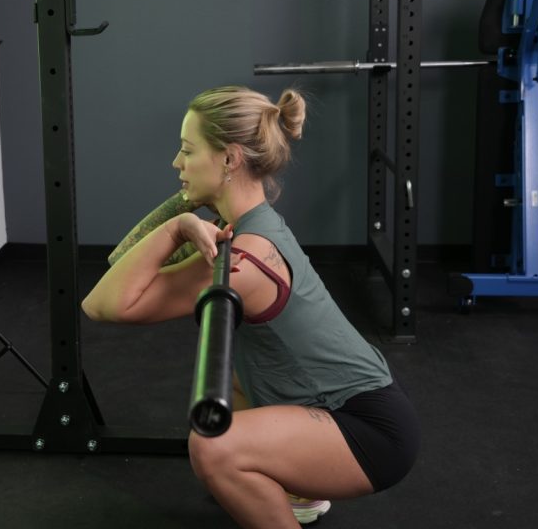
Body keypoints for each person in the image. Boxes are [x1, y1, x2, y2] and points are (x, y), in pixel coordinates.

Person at [82, 86, 420, 528]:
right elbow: (122, 262)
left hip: (369, 432)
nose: (176, 163)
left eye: (187, 150)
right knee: (239, 374)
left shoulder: (245, 260)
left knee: (213, 445)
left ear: (230, 158)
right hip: (356, 405)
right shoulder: (249, 223)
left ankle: (296, 486)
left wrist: (176, 229)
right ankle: (299, 488)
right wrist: (186, 211)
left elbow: (104, 304)